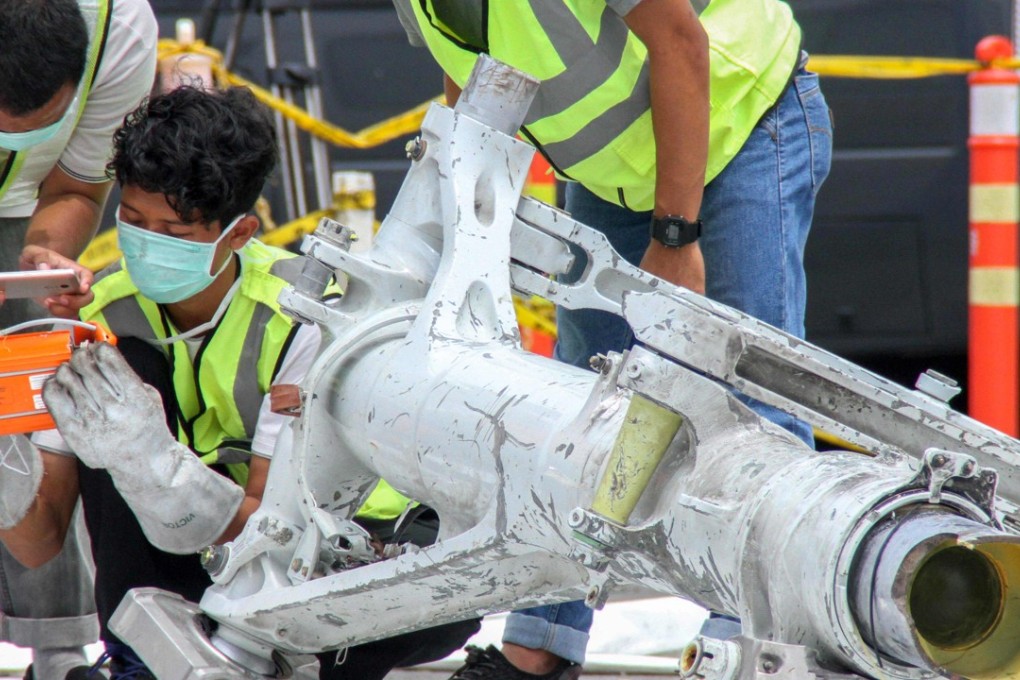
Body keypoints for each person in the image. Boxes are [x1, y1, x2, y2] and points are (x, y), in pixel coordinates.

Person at [391, 0, 834, 678]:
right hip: (617, 176)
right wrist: (462, 217)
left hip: (742, 122)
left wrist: (675, 235)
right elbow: (472, 78)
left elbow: (680, 43)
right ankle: (539, 640)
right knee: (581, 408)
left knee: (753, 390)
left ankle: (756, 644)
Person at [0, 86, 479, 679]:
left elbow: (274, 534)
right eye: (132, 219)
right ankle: (140, 660)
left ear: (240, 232)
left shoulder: (305, 317)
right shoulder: (102, 318)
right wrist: (4, 462)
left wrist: (152, 463)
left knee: (413, 612)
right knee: (115, 373)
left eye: (175, 231)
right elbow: (37, 543)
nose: (148, 242)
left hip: (349, 552)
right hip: (208, 556)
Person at [0, 0, 156, 677]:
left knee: (39, 387)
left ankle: (58, 644)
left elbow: (76, 183)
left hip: (24, 207)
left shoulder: (119, 31)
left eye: (31, 128)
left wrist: (42, 254)